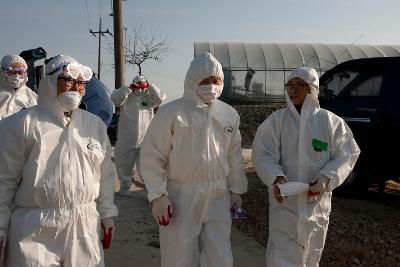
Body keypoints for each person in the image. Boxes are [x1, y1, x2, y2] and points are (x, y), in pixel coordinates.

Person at [0, 55, 118, 266]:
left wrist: (107, 213)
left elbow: (105, 174)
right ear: (51, 81)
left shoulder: (94, 125)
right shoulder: (21, 124)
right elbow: (4, 181)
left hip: (84, 225)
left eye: (81, 83)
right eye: (68, 80)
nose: (75, 87)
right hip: (34, 229)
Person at [140, 52, 248, 267]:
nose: (211, 86)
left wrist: (236, 191)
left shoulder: (228, 114)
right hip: (181, 194)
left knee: (219, 253)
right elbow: (153, 155)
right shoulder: (172, 112)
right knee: (179, 254)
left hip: (218, 193)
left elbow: (234, 155)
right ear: (192, 81)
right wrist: (158, 195)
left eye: (215, 81)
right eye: (205, 81)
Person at [252, 67, 360, 267]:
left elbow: (348, 153)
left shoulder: (331, 122)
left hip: (315, 204)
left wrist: (326, 178)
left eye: (299, 85)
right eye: (289, 85)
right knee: (281, 255)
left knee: (311, 253)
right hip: (285, 203)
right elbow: (262, 153)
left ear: (312, 89)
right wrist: (275, 178)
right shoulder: (277, 121)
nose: (292, 90)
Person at [111, 75, 166, 197]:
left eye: (142, 86)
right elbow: (115, 99)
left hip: (146, 138)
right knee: (124, 162)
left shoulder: (149, 97)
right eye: (138, 86)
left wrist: (150, 86)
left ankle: (150, 188)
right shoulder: (127, 97)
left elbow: (160, 98)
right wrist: (128, 89)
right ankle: (125, 187)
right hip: (127, 137)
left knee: (147, 164)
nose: (140, 89)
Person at [0, 54, 37, 120]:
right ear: (3, 72)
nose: (17, 76)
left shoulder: (32, 97)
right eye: (12, 72)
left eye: (20, 73)